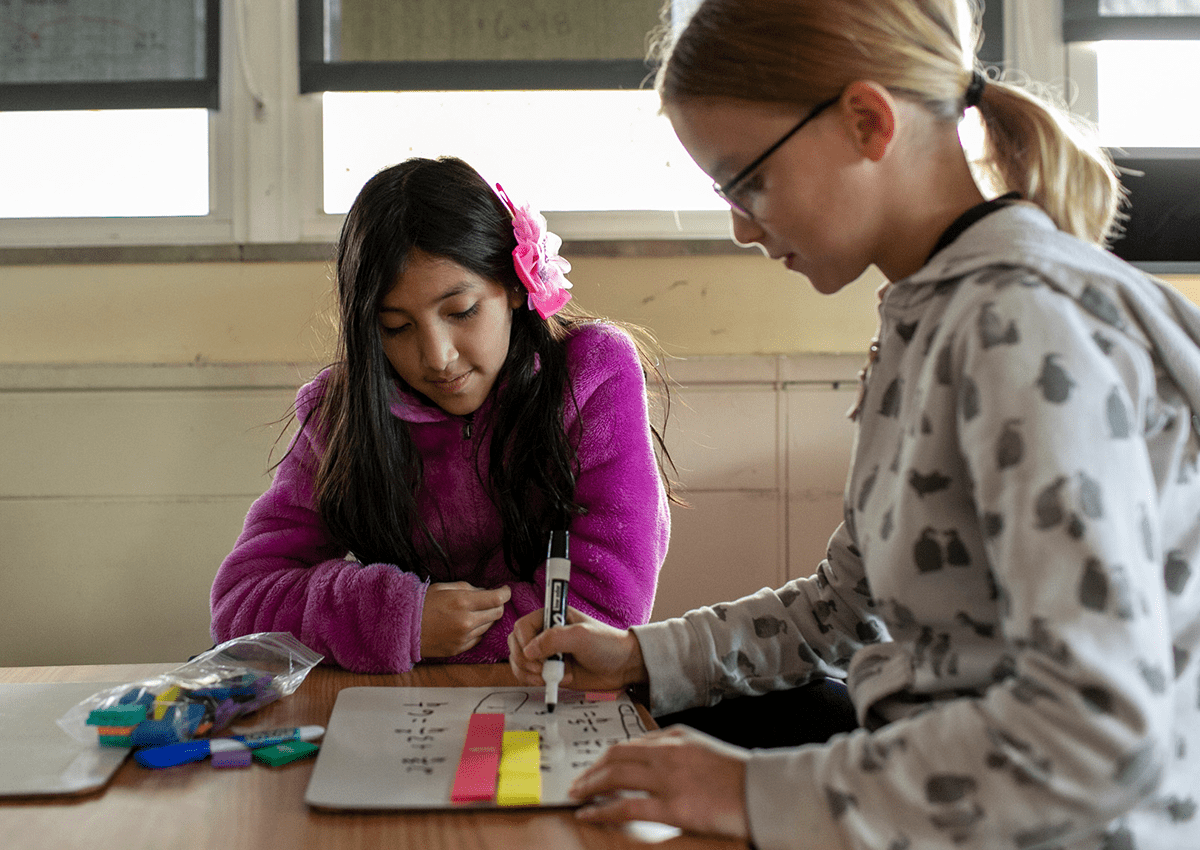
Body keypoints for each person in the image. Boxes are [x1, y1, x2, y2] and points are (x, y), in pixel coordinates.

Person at [507, 2, 1200, 848]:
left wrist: (757, 792)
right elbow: (849, 606)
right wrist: (644, 658)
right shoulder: (930, 314)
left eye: (748, 180)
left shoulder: (1018, 327)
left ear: (868, 121)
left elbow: (1095, 732)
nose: (741, 225)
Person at [211, 156, 672, 674]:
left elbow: (604, 610)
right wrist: (398, 618)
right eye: (396, 326)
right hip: (399, 712)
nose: (437, 357)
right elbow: (241, 602)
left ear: (518, 285)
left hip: (549, 703)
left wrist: (445, 639)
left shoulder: (593, 375)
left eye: (460, 312)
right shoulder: (341, 412)